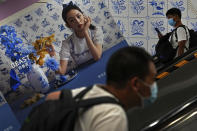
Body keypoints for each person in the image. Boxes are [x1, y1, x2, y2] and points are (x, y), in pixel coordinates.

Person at [46, 46, 158, 131]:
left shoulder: (93, 92)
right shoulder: (113, 116)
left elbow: (52, 97)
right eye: (152, 79)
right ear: (135, 84)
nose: (154, 85)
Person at [48, 1, 103, 75]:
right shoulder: (67, 43)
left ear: (84, 16)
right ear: (68, 25)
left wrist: (85, 32)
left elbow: (97, 57)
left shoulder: (96, 30)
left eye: (78, 16)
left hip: (102, 66)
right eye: (72, 20)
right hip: (85, 74)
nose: (77, 21)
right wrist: (52, 56)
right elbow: (61, 72)